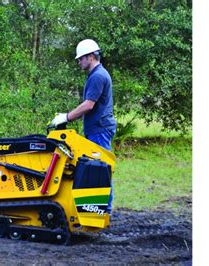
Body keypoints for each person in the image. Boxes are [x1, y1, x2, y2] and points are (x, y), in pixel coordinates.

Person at [49, 39, 116, 213]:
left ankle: (104, 211)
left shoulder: (98, 76)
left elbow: (88, 105)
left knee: (100, 170)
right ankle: (96, 209)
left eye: (81, 58)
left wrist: (67, 117)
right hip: (97, 129)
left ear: (91, 57)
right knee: (96, 170)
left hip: (100, 130)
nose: (79, 61)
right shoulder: (96, 75)